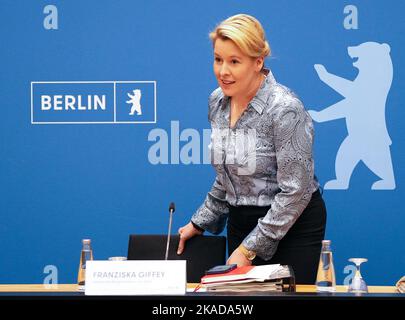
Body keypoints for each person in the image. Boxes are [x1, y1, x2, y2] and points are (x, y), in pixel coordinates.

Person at [177, 14, 327, 284]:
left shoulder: (285, 108)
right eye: (218, 59)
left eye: (234, 61)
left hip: (291, 224)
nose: (223, 71)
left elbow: (296, 190)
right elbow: (230, 177)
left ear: (258, 62)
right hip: (241, 221)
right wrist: (198, 222)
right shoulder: (216, 102)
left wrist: (248, 249)